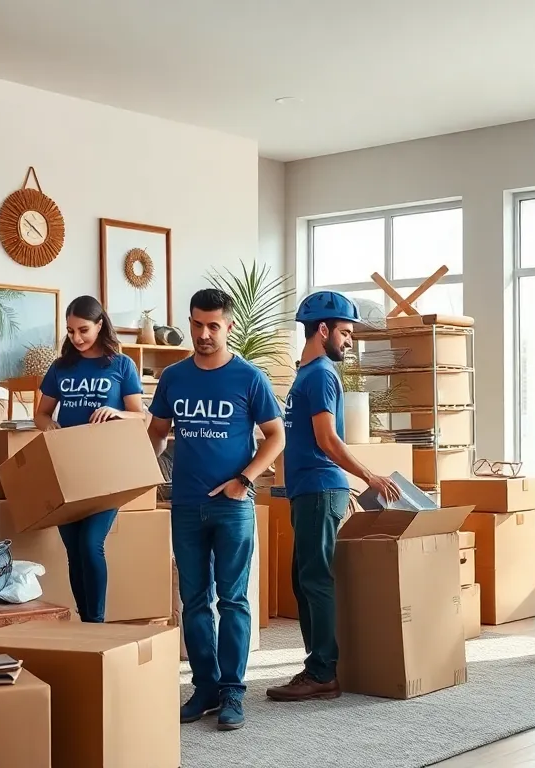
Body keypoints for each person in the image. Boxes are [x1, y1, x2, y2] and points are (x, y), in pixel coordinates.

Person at [148, 288, 284, 731]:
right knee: (193, 601)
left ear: (228, 327)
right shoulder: (173, 377)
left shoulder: (249, 378)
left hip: (232, 506)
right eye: (196, 324)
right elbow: (157, 434)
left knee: (233, 600)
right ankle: (204, 688)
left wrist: (244, 481)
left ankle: (232, 693)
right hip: (184, 504)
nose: (203, 334)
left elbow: (275, 437)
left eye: (212, 326)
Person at [266, 290, 400, 703]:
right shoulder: (309, 374)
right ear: (321, 329)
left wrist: (369, 476)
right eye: (345, 332)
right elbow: (310, 437)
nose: (349, 340)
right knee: (304, 579)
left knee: (315, 578)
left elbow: (327, 440)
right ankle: (316, 665)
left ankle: (323, 671)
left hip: (323, 489)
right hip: (309, 490)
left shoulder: (321, 373)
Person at [34, 295, 144, 624]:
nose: (76, 338)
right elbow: (40, 414)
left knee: (91, 543)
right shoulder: (61, 367)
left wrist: (116, 412)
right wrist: (49, 424)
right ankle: (85, 622)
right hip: (66, 467)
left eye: (83, 330)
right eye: (70, 331)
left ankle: (96, 622)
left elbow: (140, 416)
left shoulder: (121, 365)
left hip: (105, 471)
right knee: (73, 548)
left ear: (100, 325)